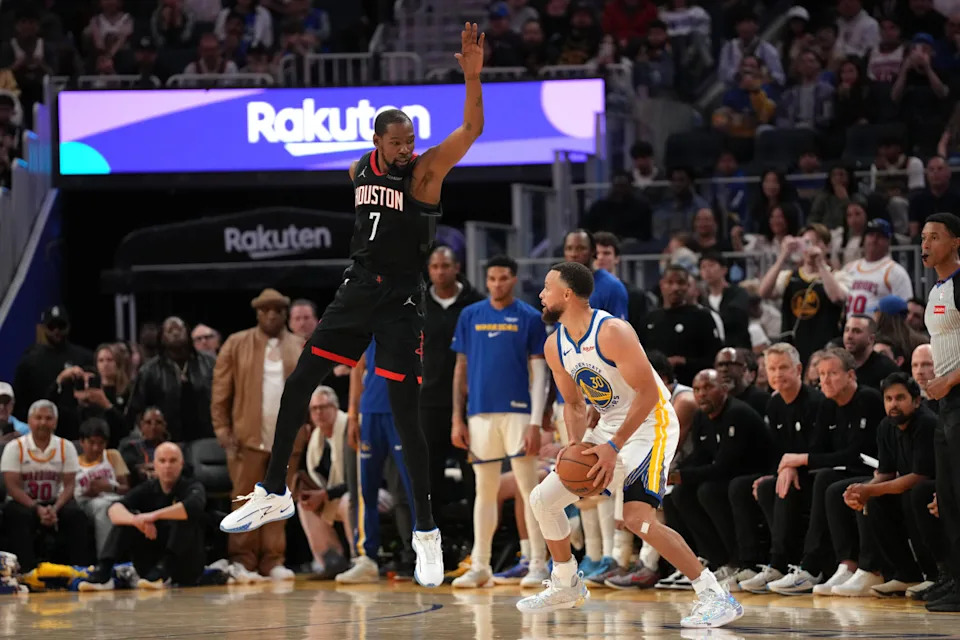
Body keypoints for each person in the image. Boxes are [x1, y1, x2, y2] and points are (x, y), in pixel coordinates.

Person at [219, 23, 488, 588]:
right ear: (377, 142)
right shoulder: (358, 168)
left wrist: (472, 77)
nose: (406, 148)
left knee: (406, 419)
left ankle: (427, 535)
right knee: (300, 385)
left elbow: (471, 128)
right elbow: (361, 185)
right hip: (357, 290)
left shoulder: (425, 173)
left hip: (401, 299)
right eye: (397, 141)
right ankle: (272, 495)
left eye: (410, 139)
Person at [515, 262, 743, 629]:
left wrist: (614, 446)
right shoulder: (555, 345)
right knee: (544, 498)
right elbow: (573, 403)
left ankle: (716, 596)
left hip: (652, 423)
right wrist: (576, 445)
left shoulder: (612, 332)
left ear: (568, 294)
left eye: (547, 287)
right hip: (610, 424)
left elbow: (652, 392)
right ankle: (566, 583)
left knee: (637, 519)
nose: (541, 294)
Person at [449, 255, 549, 588]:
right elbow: (460, 368)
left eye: (503, 278)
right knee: (484, 491)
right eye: (491, 278)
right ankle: (481, 565)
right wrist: (457, 418)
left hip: (519, 413)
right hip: (479, 414)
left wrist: (535, 421)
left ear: (514, 280)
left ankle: (538, 563)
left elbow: (540, 373)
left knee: (528, 489)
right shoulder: (470, 315)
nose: (496, 284)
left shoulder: (530, 318)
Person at [763, 348, 885, 595]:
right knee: (777, 484)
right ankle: (783, 564)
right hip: (840, 472)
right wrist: (792, 465)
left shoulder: (868, 399)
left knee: (828, 481)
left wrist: (801, 459)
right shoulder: (828, 405)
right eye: (821, 374)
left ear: (850, 375)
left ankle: (822, 566)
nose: (825, 380)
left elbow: (857, 453)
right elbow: (817, 449)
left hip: (874, 472)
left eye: (832, 373)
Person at [212, 288, 305, 580]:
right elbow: (220, 391)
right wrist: (222, 429)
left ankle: (273, 561)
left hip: (286, 440)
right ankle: (243, 561)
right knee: (244, 500)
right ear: (257, 313)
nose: (272, 315)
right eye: (266, 310)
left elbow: (310, 391)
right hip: (247, 438)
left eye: (278, 310)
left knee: (278, 502)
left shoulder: (299, 345)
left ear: (285, 314)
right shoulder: (236, 343)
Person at [827, 373, 939, 597]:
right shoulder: (886, 426)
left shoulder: (926, 423)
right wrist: (861, 490)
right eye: (888, 399)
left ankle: (934, 575)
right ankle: (905, 574)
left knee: (913, 495)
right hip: (907, 487)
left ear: (916, 401)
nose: (893, 404)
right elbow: (886, 472)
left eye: (900, 398)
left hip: (933, 488)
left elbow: (919, 476)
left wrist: (870, 489)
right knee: (873, 500)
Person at [663, 370, 773, 592]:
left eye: (708, 387)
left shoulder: (738, 414)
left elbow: (726, 466)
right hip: (725, 476)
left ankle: (743, 561)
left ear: (724, 388)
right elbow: (700, 456)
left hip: (754, 473)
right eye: (697, 389)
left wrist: (681, 476)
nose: (702, 394)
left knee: (709, 492)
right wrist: (674, 473)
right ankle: (714, 561)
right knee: (677, 495)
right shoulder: (702, 417)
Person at [733, 343, 824, 593]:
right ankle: (752, 563)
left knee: (780, 487)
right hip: (788, 472)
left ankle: (782, 563)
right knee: (749, 486)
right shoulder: (774, 405)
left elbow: (818, 449)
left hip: (814, 473)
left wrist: (791, 466)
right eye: (771, 369)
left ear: (798, 369)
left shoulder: (815, 402)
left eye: (783, 367)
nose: (777, 374)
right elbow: (776, 451)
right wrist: (777, 471)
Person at [335, 341, 416, 583]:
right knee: (365, 490)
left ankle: (422, 556)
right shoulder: (370, 321)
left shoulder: (416, 318)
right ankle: (366, 558)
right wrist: (352, 414)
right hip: (370, 413)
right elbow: (357, 368)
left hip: (403, 411)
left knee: (412, 489)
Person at [78, 443, 207, 590]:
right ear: (154, 465)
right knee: (126, 519)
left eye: (172, 461)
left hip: (184, 565)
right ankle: (104, 571)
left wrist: (151, 517)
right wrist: (136, 521)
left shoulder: (193, 486)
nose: (167, 466)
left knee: (184, 517)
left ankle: (164, 570)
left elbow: (193, 506)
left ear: (181, 464)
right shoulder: (148, 488)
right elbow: (114, 509)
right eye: (162, 461)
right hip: (148, 565)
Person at [920, 212, 960, 612]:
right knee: (946, 498)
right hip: (946, 404)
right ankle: (954, 578)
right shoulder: (935, 291)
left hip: (957, 397)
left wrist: (949, 380)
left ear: (956, 243)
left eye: (935, 237)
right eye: (923, 237)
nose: (926, 244)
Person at [0, 400, 91, 572]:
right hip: (24, 503)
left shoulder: (66, 447)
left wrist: (54, 508)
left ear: (55, 422)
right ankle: (27, 572)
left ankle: (80, 570)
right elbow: (12, 487)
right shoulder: (15, 447)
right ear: (29, 421)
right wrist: (37, 508)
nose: (43, 422)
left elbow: (70, 485)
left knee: (76, 515)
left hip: (55, 502)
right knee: (16, 515)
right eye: (38, 418)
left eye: (48, 418)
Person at [758, 224, 849, 364]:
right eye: (806, 242)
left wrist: (820, 263)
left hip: (826, 348)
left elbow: (837, 297)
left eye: (817, 242)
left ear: (827, 246)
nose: (811, 248)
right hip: (794, 348)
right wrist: (783, 256)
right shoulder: (789, 277)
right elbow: (763, 292)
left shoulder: (838, 276)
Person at [289, 386, 351, 579]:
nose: (318, 413)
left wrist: (324, 495)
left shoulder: (351, 428)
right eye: (314, 409)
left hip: (373, 493)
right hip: (334, 494)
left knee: (348, 501)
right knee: (305, 503)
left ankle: (362, 559)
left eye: (323, 407)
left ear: (335, 407)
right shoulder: (316, 439)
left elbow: (357, 481)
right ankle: (330, 560)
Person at [127, 317, 216, 442]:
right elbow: (137, 410)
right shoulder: (149, 371)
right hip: (166, 441)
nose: (175, 333)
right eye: (170, 331)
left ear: (188, 333)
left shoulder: (210, 364)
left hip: (208, 438)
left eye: (179, 329)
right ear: (162, 338)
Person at [639, 264, 723, 385]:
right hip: (654, 388)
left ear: (688, 286)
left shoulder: (702, 317)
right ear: (662, 285)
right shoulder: (649, 319)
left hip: (692, 387)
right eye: (670, 283)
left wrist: (684, 361)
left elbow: (713, 359)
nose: (675, 288)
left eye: (681, 283)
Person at [12, 305, 93, 421]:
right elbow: (19, 402)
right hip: (40, 426)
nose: (56, 331)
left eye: (61, 326)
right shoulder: (29, 361)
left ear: (69, 326)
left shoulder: (84, 357)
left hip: (76, 428)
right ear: (44, 328)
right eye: (51, 326)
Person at [74, 417, 130, 559]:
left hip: (115, 498)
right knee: (104, 508)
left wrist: (110, 487)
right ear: (82, 442)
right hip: (87, 502)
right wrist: (89, 491)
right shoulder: (74, 463)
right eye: (91, 443)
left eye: (101, 443)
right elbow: (70, 493)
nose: (96, 448)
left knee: (126, 506)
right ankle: (105, 560)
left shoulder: (112, 455)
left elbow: (126, 488)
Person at [842, 219, 913, 315]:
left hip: (879, 328)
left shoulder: (896, 272)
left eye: (879, 237)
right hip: (850, 327)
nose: (874, 240)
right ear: (864, 239)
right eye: (871, 235)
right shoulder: (849, 268)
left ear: (888, 241)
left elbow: (905, 307)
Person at [563, 229, 629, 320]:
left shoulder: (612, 287)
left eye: (580, 248)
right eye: (569, 248)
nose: (574, 254)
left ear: (593, 251)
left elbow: (619, 330)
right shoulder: (559, 285)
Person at [699, 251, 751, 348]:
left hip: (738, 348)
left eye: (711, 265)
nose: (707, 270)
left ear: (724, 270)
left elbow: (735, 318)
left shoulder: (738, 293)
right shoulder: (702, 301)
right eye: (703, 267)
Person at [842, 314, 901, 390]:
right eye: (846, 330)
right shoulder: (837, 365)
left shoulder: (886, 369)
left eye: (856, 331)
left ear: (871, 338)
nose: (849, 336)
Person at [120, 407, 169, 487]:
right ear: (141, 425)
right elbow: (130, 470)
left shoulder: (172, 449)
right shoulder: (130, 447)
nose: (153, 427)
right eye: (148, 422)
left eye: (158, 422)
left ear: (164, 426)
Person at [714, 347, 770, 415]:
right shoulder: (712, 401)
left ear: (743, 369)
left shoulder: (762, 399)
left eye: (730, 364)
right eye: (720, 365)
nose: (724, 369)